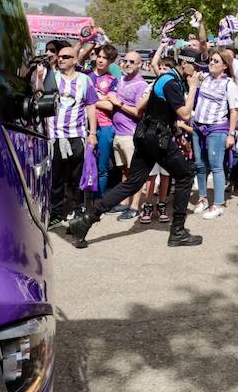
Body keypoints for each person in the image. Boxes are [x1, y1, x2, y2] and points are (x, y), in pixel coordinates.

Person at [68, 47, 204, 248]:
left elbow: (159, 111)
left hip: (145, 135)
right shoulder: (172, 82)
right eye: (197, 67)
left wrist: (176, 133)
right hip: (156, 139)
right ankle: (177, 232)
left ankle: (87, 219)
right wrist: (193, 88)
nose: (199, 73)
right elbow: (185, 114)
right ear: (185, 63)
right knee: (185, 176)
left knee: (133, 183)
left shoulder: (166, 79)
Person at [46, 43, 98, 227]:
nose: (61, 59)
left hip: (77, 135)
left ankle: (77, 211)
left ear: (75, 60)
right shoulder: (51, 77)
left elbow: (91, 106)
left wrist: (92, 133)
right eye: (59, 56)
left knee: (77, 177)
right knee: (56, 178)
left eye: (66, 56)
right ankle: (56, 214)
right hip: (55, 136)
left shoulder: (85, 80)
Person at [188, 50, 238, 219]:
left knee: (216, 165)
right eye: (211, 60)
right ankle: (202, 198)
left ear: (225, 65)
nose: (211, 63)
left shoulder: (229, 84)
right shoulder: (204, 78)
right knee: (200, 164)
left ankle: (217, 204)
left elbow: (234, 111)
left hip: (217, 128)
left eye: (216, 61)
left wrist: (231, 134)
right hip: (198, 126)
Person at [109, 51, 151, 220]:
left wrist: (118, 103)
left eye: (132, 61)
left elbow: (138, 112)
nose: (127, 64)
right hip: (118, 133)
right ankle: (125, 201)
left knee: (136, 173)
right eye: (125, 61)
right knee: (125, 171)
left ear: (140, 64)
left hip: (130, 134)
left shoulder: (141, 85)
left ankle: (135, 206)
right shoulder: (120, 80)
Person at [89, 43, 120, 198]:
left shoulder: (113, 81)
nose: (100, 60)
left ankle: (98, 202)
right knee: (86, 165)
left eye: (105, 58)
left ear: (111, 61)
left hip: (105, 126)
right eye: (99, 56)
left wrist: (90, 100)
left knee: (102, 166)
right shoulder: (85, 76)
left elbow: (110, 106)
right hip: (85, 126)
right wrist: (100, 98)